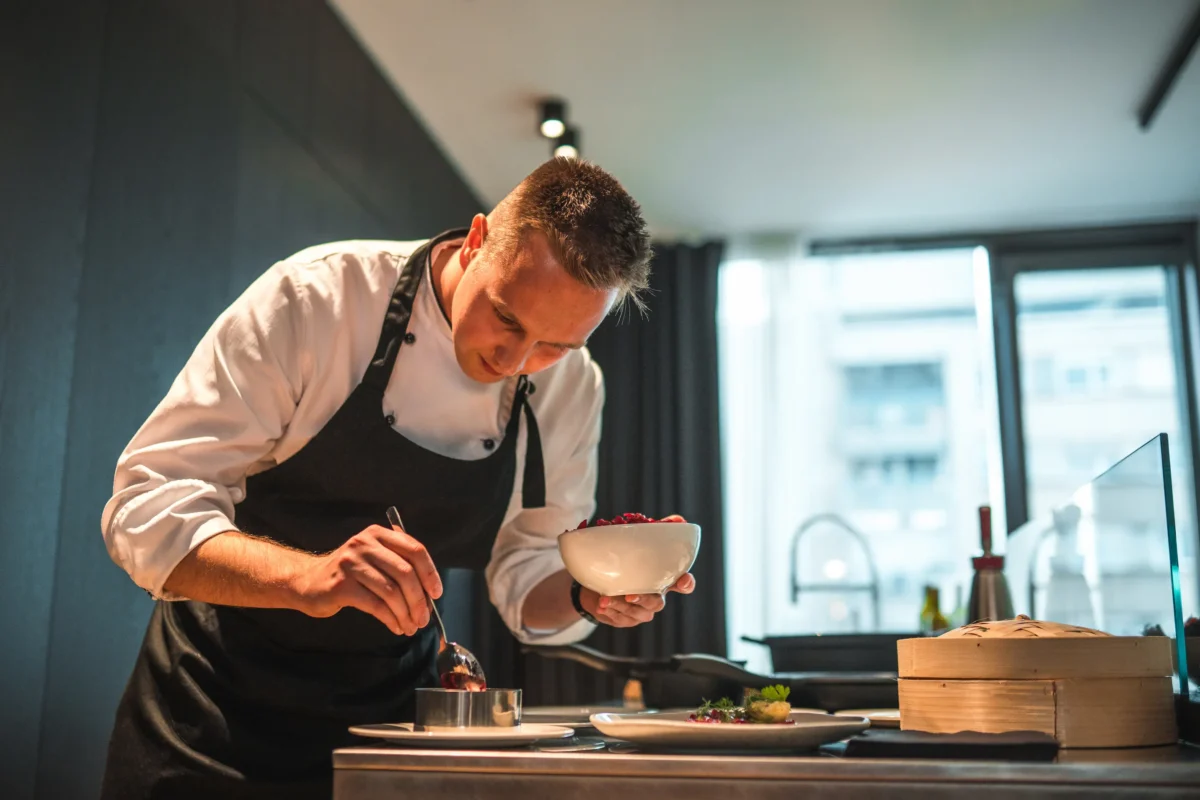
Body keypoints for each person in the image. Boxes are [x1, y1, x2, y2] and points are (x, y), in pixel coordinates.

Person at [99, 158, 695, 799]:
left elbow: (526, 576)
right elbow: (147, 506)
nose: (515, 361)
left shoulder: (573, 388)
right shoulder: (317, 301)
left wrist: (591, 592)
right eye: (507, 319)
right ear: (474, 242)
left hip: (387, 729)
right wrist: (309, 577)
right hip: (209, 713)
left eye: (555, 347)